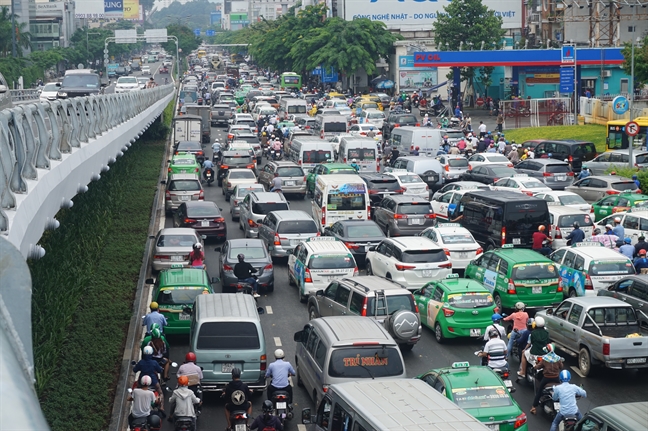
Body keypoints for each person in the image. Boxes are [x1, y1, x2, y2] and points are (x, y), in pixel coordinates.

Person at [530, 344, 564, 415]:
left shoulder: (545, 358)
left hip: (547, 378)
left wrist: (534, 367)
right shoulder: (558, 358)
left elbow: (538, 367)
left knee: (539, 391)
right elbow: (561, 366)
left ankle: (534, 407)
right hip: (556, 378)